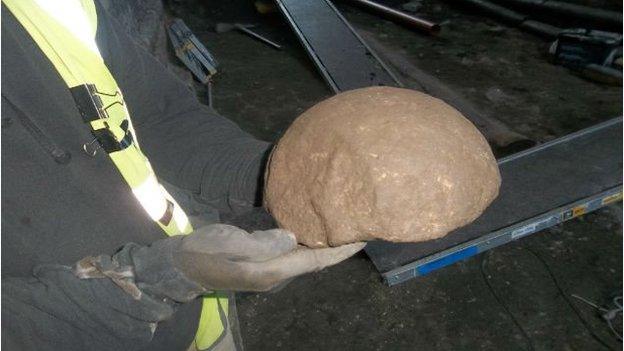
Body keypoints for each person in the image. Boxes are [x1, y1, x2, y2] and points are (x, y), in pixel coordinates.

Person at [1, 0, 365, 350]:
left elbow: (157, 116)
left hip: (194, 312)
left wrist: (284, 177)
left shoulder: (47, 5)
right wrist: (156, 280)